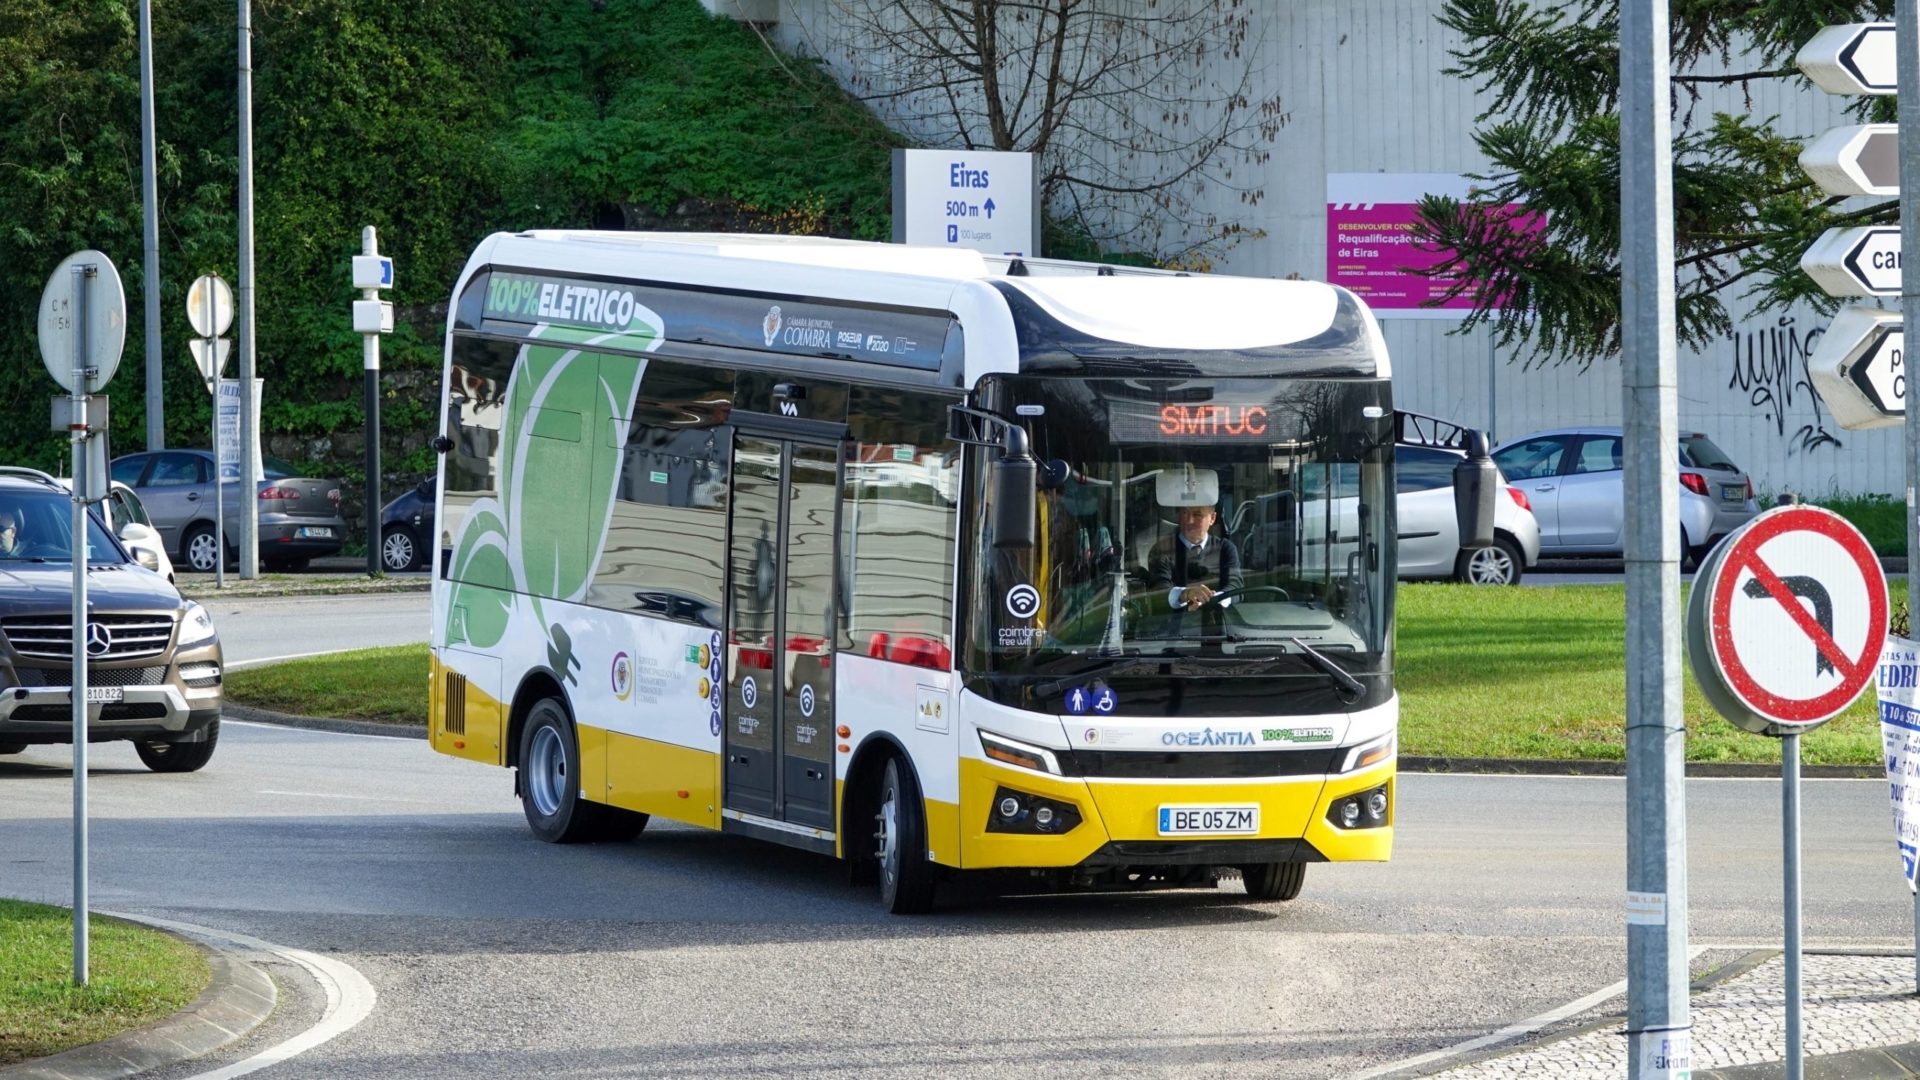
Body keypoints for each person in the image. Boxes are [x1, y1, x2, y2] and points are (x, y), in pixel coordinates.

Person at [1148, 500, 1243, 613]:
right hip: (1174, 624)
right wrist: (1186, 594)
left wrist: (1215, 598)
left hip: (1218, 625)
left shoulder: (1225, 548)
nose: (1189, 520)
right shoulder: (1162, 550)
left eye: (1197, 515)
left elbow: (1236, 586)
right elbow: (1158, 592)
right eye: (1184, 513)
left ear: (1212, 518)